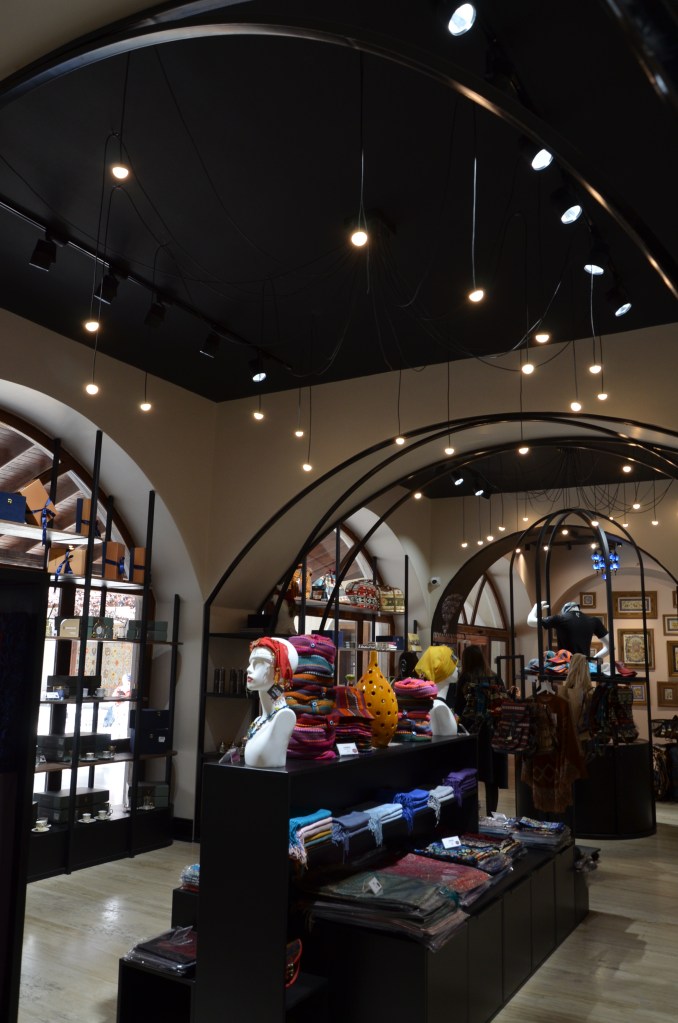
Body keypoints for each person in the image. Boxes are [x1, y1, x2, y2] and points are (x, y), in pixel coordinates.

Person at [453, 645, 508, 814]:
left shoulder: (465, 678)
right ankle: (492, 814)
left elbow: (458, 708)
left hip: (472, 733)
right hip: (494, 732)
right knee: (492, 779)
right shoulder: (495, 677)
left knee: (470, 776)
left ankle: (471, 815)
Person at [243, 637, 298, 767]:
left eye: (258, 663)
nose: (249, 669)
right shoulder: (259, 720)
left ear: (279, 670)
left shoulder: (284, 717)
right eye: (251, 663)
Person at [527, 600, 609, 658]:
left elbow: (530, 621)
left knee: (534, 662)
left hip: (565, 666)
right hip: (584, 666)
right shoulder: (594, 621)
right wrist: (593, 660)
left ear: (565, 610)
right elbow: (610, 647)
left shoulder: (559, 618)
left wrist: (536, 607)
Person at [415, 644, 459, 736]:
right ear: (442, 670)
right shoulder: (440, 708)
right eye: (452, 665)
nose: (457, 669)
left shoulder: (435, 705)